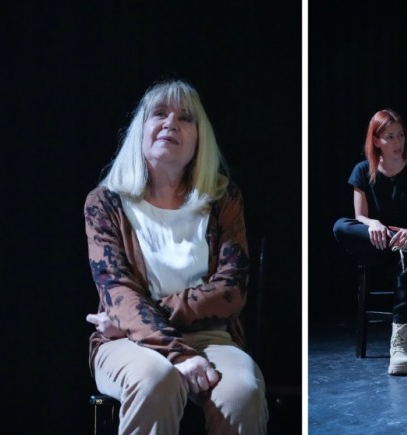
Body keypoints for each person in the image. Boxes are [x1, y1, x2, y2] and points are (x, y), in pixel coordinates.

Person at [83, 79, 268, 434]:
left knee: (242, 392)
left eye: (185, 118)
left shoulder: (222, 199)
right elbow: (117, 292)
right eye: (159, 114)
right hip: (127, 340)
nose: (171, 123)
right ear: (141, 130)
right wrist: (176, 352)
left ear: (200, 138)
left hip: (209, 337)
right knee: (157, 380)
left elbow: (231, 290)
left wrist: (141, 316)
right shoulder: (105, 202)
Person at [333, 108, 407, 375]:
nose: (398, 143)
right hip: (378, 246)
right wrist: (372, 223)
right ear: (376, 141)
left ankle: (399, 346)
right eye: (390, 137)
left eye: (401, 135)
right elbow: (359, 216)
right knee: (341, 226)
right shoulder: (363, 170)